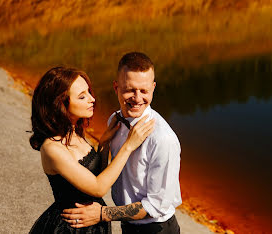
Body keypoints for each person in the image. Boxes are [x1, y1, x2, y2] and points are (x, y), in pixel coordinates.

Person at [62, 52, 182, 234]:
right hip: (128, 225)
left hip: (156, 230)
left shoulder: (162, 139)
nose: (137, 98)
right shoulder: (115, 120)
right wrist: (103, 146)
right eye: (130, 90)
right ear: (116, 87)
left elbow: (156, 206)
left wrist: (103, 213)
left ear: (153, 88)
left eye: (144, 91)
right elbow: (106, 174)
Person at [29, 66, 154, 233]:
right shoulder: (52, 148)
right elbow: (98, 188)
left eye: (88, 92)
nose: (92, 99)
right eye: (82, 96)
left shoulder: (73, 131)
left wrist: (104, 145)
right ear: (60, 104)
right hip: (71, 226)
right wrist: (129, 146)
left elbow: (95, 176)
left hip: (93, 219)